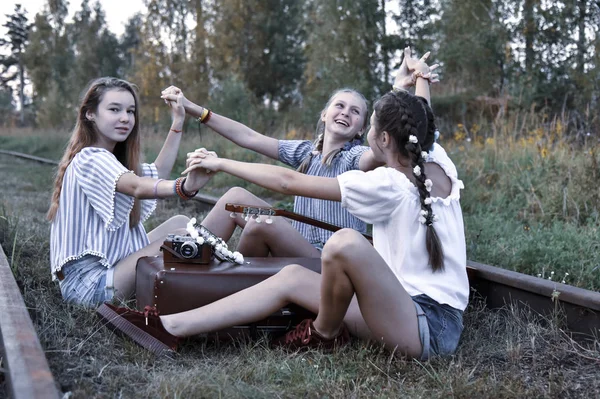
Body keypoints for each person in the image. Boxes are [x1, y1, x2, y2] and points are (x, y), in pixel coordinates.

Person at [97, 76, 468, 360]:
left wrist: (222, 163)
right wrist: (415, 80)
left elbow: (288, 182)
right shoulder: (436, 160)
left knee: (343, 242)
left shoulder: (383, 180)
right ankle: (167, 327)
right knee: (287, 273)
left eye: (365, 120)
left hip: (426, 328)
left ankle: (322, 335)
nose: (356, 122)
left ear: (381, 139)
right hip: (399, 309)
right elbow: (421, 118)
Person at [160, 47, 439, 257]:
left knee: (259, 223)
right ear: (325, 114)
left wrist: (401, 90)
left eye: (355, 112)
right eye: (339, 106)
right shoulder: (306, 152)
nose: (345, 113)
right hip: (296, 247)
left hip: (327, 259)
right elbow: (248, 137)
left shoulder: (356, 157)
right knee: (235, 196)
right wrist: (192, 108)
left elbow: (397, 140)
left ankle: (225, 277)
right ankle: (191, 260)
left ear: (361, 129)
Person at [47, 77, 214, 307]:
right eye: (114, 109)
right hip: (88, 285)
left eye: (130, 111)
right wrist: (184, 186)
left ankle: (206, 288)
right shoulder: (90, 157)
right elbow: (138, 186)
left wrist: (178, 120)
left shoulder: (113, 162)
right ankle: (208, 296)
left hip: (108, 272)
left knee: (183, 222)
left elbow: (157, 172)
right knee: (181, 238)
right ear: (90, 114)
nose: (125, 118)